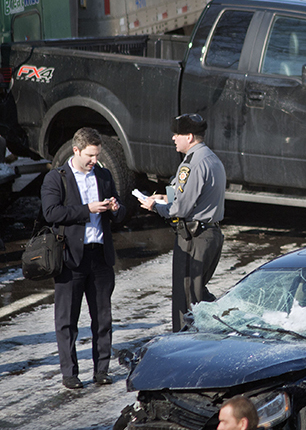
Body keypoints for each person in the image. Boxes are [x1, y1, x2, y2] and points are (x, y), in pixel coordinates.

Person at [41, 127, 126, 389]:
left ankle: (101, 370)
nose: (94, 161)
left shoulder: (103, 174)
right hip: (70, 258)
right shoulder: (57, 178)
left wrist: (115, 208)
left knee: (103, 318)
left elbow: (120, 216)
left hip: (99, 256)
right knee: (67, 320)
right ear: (76, 150)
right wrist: (86, 210)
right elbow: (51, 213)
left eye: (97, 155)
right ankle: (70, 374)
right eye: (90, 155)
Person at [139, 113, 226, 332]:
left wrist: (155, 207)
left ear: (189, 136)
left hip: (194, 238)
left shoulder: (193, 164)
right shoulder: (210, 157)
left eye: (176, 134)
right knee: (198, 295)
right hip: (209, 234)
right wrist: (164, 198)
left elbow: (181, 209)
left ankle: (186, 348)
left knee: (186, 301)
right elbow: (190, 195)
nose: (173, 138)